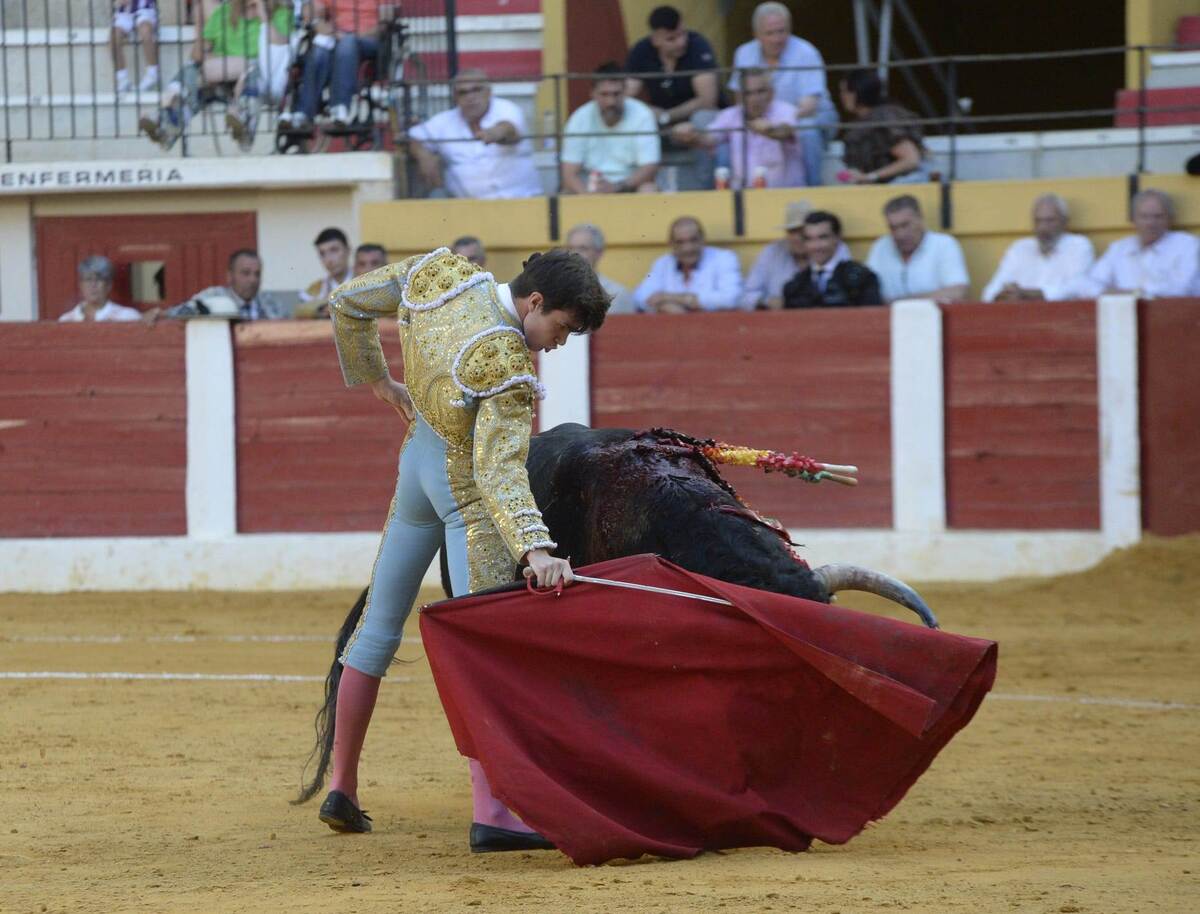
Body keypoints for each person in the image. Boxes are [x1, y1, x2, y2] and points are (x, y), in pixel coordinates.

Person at [316, 246, 610, 852]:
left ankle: (341, 786)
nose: (558, 344)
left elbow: (346, 303)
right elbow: (499, 470)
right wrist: (534, 549)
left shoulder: (440, 274)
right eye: (561, 328)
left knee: (376, 628)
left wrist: (378, 381)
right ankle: (493, 815)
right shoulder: (506, 360)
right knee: (480, 649)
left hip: (415, 470)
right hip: (464, 502)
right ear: (534, 301)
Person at [139, 0, 294, 152]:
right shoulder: (223, 13)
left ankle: (245, 123)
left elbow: (278, 50)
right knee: (194, 74)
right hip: (222, 79)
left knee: (252, 72)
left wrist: (263, 16)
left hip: (259, 81)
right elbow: (197, 57)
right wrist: (200, 31)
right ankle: (165, 125)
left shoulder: (282, 14)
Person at [727, 2, 838, 187]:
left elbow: (808, 106)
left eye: (782, 31)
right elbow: (740, 97)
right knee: (727, 132)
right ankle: (727, 193)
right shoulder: (744, 53)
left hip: (809, 116)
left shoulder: (806, 52)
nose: (777, 39)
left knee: (807, 131)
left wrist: (775, 125)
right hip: (763, 118)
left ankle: (813, 189)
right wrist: (757, 123)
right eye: (770, 33)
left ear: (790, 29)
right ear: (756, 34)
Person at [624, 6, 721, 191]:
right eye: (671, 39)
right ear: (655, 40)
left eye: (682, 34)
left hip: (694, 122)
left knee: (703, 118)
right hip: (661, 123)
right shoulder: (641, 50)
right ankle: (633, 184)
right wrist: (650, 114)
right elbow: (625, 97)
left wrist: (667, 116)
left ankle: (706, 188)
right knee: (631, 118)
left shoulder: (698, 45)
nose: (681, 42)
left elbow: (708, 100)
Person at [408, 69, 544, 199]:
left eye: (476, 90)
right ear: (455, 97)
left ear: (489, 92)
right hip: (469, 207)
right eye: (463, 93)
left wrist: (494, 133)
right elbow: (413, 136)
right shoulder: (445, 121)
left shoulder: (507, 108)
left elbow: (509, 128)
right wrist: (423, 155)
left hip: (521, 199)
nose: (470, 97)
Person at [672, 68, 804, 189]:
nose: (755, 98)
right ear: (739, 96)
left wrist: (770, 131)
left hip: (784, 195)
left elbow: (786, 131)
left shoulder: (785, 110)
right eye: (748, 93)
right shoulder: (731, 115)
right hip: (743, 196)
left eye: (760, 91)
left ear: (771, 93)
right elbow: (709, 139)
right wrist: (689, 134)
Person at [1065, 189, 1200, 298]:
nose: (1150, 223)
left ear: (1170, 219)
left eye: (1158, 216)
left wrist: (1133, 294)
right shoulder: (1119, 248)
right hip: (1123, 316)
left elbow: (1181, 288)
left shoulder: (1187, 245)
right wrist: (1123, 294)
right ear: (1133, 219)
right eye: (1144, 217)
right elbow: (1087, 284)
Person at [560, 62, 660, 195]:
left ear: (625, 92)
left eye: (616, 94)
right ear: (593, 94)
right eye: (604, 94)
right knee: (566, 192)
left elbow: (650, 167)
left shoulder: (642, 114)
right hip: (590, 188)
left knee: (649, 190)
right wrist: (589, 198)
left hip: (629, 186)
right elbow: (569, 174)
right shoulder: (579, 118)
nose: (611, 102)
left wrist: (616, 187)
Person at [294, 0, 391, 129]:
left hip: (369, 39)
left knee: (348, 42)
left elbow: (385, 24)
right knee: (319, 52)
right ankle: (303, 113)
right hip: (336, 37)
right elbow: (311, 11)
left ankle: (339, 108)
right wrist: (319, 24)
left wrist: (352, 37)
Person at [982, 194, 1095, 302]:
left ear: (1065, 222)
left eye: (1050, 221)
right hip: (1020, 313)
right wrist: (1003, 295)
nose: (1043, 228)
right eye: (1038, 221)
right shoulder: (1019, 248)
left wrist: (1032, 294)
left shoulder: (1078, 246)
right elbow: (989, 293)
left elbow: (1079, 288)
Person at [866, 195, 969, 303]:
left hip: (935, 314)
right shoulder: (881, 247)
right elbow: (867, 292)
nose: (900, 234)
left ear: (920, 219)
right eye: (893, 228)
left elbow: (958, 292)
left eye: (905, 225)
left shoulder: (943, 244)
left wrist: (900, 302)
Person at [838, 68, 930, 185]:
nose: (842, 96)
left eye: (845, 91)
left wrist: (870, 177)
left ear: (858, 92)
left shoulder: (883, 117)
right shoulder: (863, 122)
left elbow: (911, 160)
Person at [635, 216, 742, 313]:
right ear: (671, 244)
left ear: (703, 239)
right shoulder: (663, 263)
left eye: (693, 240)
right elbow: (640, 296)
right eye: (680, 242)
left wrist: (674, 299)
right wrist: (664, 306)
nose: (688, 248)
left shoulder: (724, 258)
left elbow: (732, 298)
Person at [147, 249, 290, 320]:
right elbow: (184, 311)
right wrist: (162, 314)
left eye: (257, 274)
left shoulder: (270, 302)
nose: (253, 280)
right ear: (230, 276)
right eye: (246, 273)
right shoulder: (214, 296)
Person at [782, 211, 882, 308]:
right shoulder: (795, 285)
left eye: (823, 237)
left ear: (837, 237)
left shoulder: (863, 278)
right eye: (809, 239)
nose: (816, 246)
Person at [565, 223, 637, 314]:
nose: (575, 253)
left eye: (583, 248)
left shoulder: (618, 295)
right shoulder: (555, 292)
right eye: (571, 248)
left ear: (599, 252)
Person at [58, 256, 142, 322]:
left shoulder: (127, 316)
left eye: (99, 279)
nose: (93, 285)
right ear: (81, 285)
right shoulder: (66, 320)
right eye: (88, 279)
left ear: (109, 285)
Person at [295, 227, 353, 318]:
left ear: (348, 250)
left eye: (334, 250)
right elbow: (298, 311)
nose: (329, 259)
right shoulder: (314, 289)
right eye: (322, 253)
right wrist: (320, 310)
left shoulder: (364, 281)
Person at [111, 1, 160, 93]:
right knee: (114, 38)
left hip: (144, 9)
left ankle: (152, 74)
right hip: (124, 12)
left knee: (146, 32)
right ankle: (122, 79)